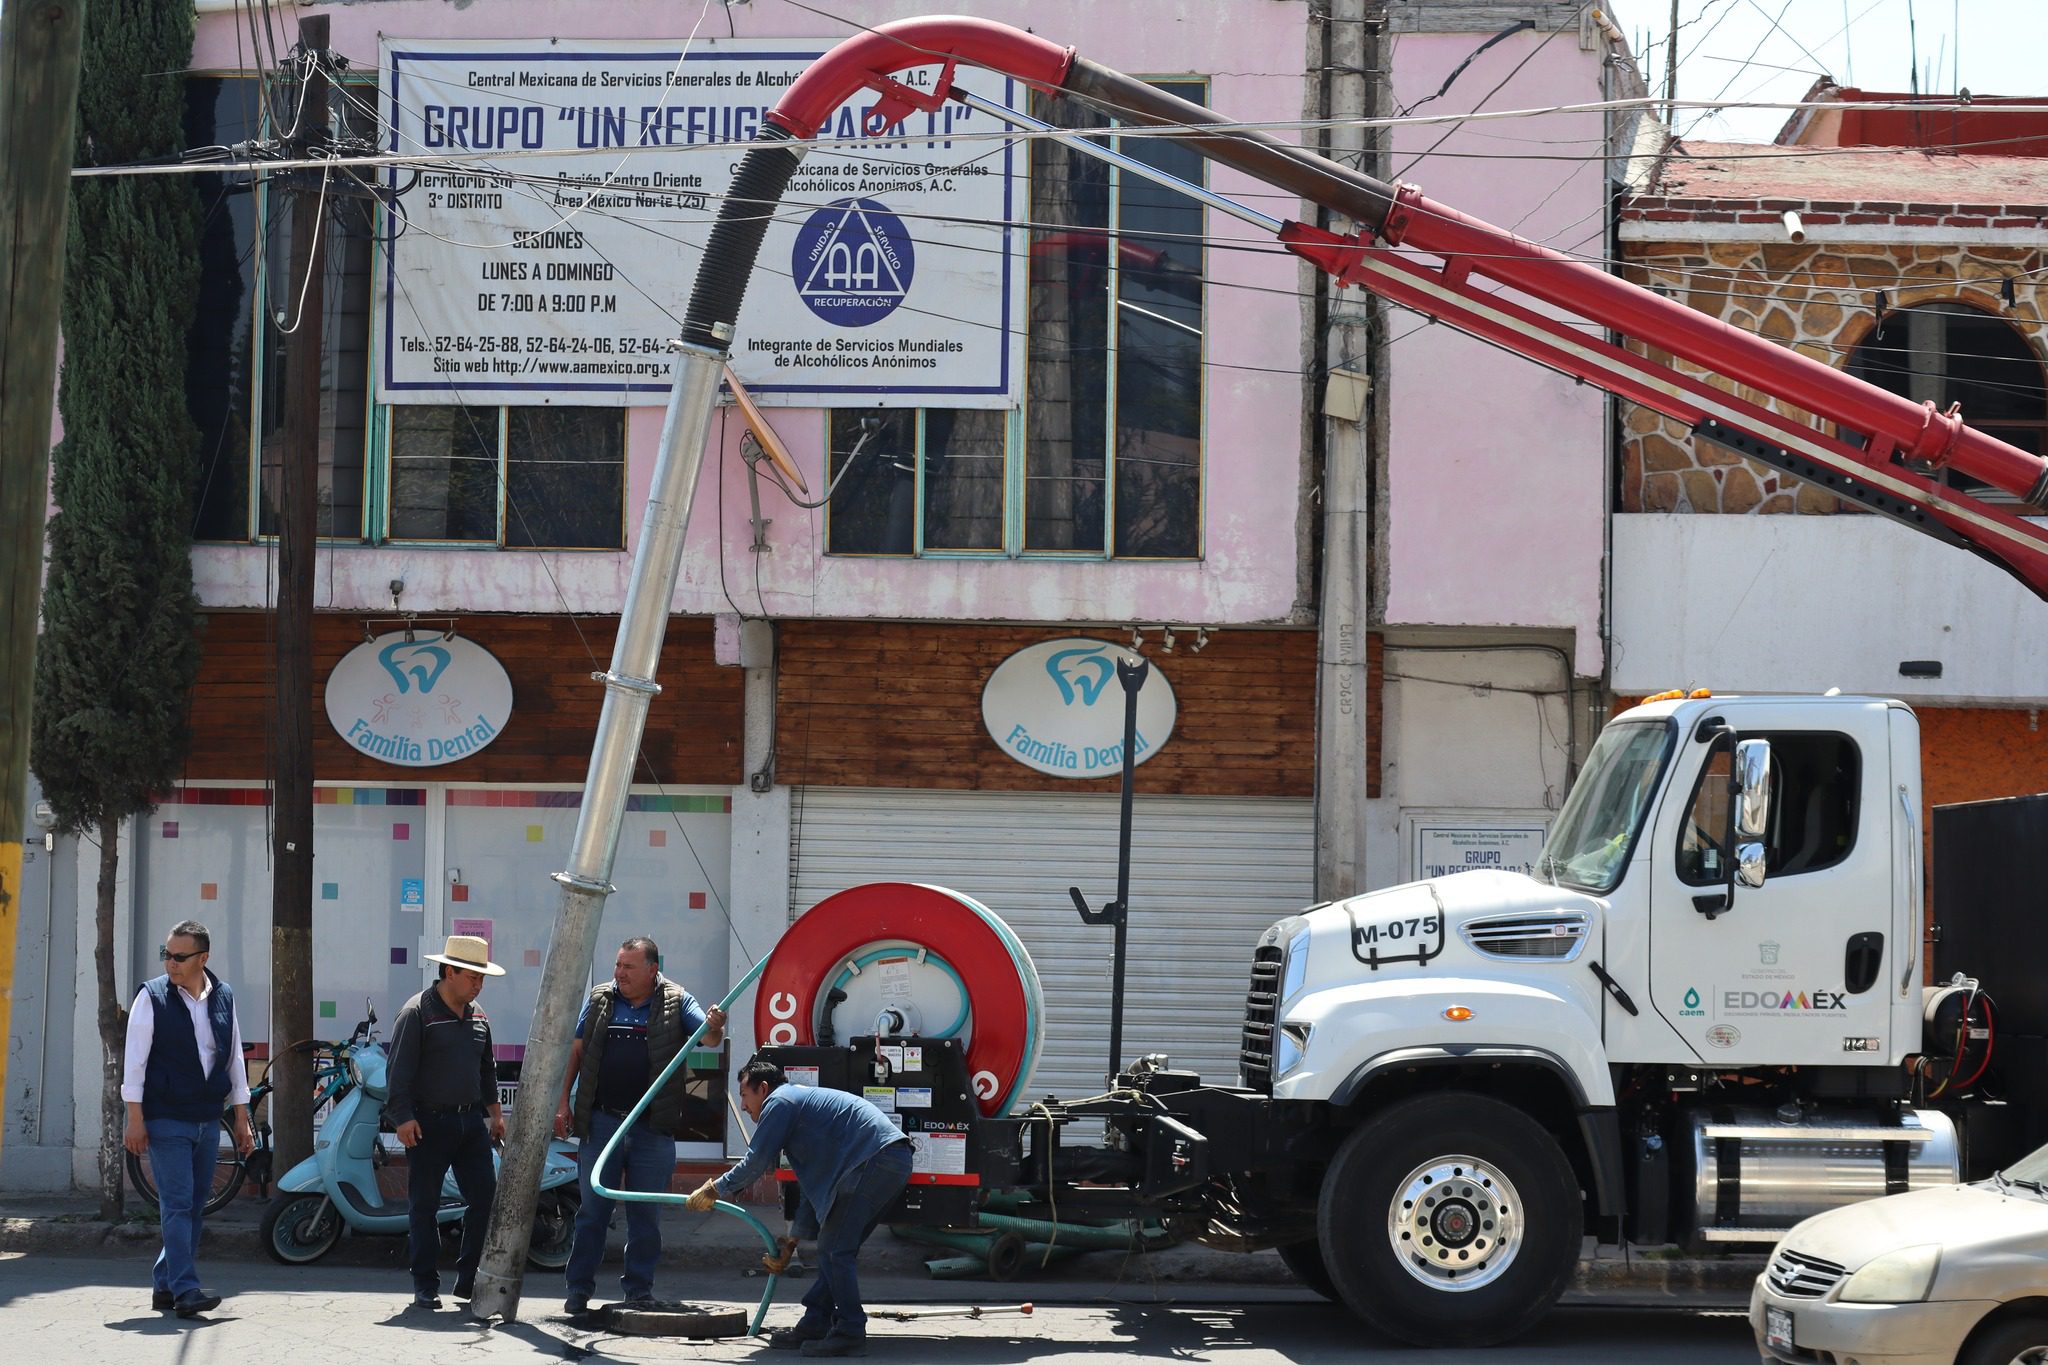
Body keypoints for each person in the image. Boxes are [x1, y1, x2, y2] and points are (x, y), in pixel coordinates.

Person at [688, 1058, 914, 1358]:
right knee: (836, 1249)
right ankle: (814, 1323)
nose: (743, 1106)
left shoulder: (780, 1103)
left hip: (874, 1161)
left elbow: (755, 1162)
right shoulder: (797, 1109)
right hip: (885, 1161)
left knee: (834, 1251)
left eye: (744, 1095)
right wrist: (793, 1241)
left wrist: (715, 1188)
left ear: (763, 1089)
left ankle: (849, 1331)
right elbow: (813, 1188)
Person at [554, 937, 727, 1315]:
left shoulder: (678, 1000)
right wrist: (563, 1099)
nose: (620, 974)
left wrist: (716, 1024)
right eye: (618, 965)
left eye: (628, 967)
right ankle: (578, 1291)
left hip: (652, 1130)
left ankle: (638, 1292)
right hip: (602, 1124)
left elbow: (710, 1039)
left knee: (645, 1218)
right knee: (592, 1214)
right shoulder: (601, 999)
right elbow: (578, 1050)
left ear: (652, 969)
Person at [121, 919, 255, 1319]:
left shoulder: (224, 996)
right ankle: (186, 1289)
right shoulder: (152, 997)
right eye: (166, 955)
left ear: (203, 958)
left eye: (179, 957)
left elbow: (232, 1059)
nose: (170, 963)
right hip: (165, 1118)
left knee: (196, 1206)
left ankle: (165, 1284)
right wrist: (135, 1118)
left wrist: (243, 1117)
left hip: (207, 1117)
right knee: (177, 1204)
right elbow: (135, 1062)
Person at [385, 933, 506, 1309]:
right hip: (427, 1123)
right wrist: (403, 1119)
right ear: (449, 971)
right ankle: (425, 1284)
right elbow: (398, 1073)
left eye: (482, 978)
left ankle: (468, 1279)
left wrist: (496, 1115)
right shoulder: (417, 1012)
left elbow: (487, 1070)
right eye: (472, 976)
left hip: (470, 1123)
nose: (478, 984)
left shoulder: (480, 1015)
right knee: (424, 1206)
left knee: (485, 1199)